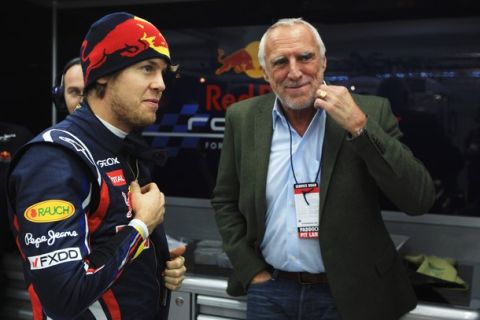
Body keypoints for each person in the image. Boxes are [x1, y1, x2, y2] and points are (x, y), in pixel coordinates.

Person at [212, 18, 435, 320]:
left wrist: (359, 127)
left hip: (349, 295)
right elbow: (225, 201)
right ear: (265, 72)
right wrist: (251, 272)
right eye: (280, 62)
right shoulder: (243, 117)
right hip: (270, 291)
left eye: (305, 57)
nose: (294, 72)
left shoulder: (369, 111)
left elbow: (418, 199)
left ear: (323, 62)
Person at [7, 12, 186, 319]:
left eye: (162, 72)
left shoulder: (121, 147)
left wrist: (159, 265)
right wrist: (141, 228)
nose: (160, 84)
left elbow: (109, 248)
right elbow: (63, 298)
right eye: (147, 69)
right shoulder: (54, 159)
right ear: (103, 75)